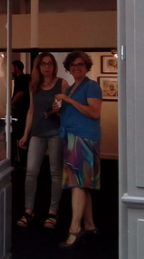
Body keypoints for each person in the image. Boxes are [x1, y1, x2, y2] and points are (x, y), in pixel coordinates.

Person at [54, 51, 102, 249]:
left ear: (87, 67)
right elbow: (73, 112)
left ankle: (75, 229)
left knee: (77, 184)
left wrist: (69, 100)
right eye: (73, 65)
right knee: (83, 184)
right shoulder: (72, 88)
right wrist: (60, 108)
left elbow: (94, 112)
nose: (76, 68)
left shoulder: (91, 86)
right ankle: (89, 225)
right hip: (72, 137)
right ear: (68, 68)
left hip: (84, 138)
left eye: (80, 64)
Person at [17, 52, 69, 229]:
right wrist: (26, 134)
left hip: (56, 132)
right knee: (31, 171)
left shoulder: (62, 83)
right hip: (37, 132)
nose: (47, 67)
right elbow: (31, 111)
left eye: (50, 63)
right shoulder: (34, 85)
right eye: (43, 64)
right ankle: (28, 210)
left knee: (56, 173)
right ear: (38, 66)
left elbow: (69, 109)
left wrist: (59, 110)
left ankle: (53, 211)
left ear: (54, 66)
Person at [11, 60, 31, 164]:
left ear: (16, 68)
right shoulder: (25, 78)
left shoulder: (21, 79)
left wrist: (11, 104)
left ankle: (18, 161)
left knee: (17, 137)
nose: (10, 70)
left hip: (21, 114)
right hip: (22, 114)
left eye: (11, 67)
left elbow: (20, 93)